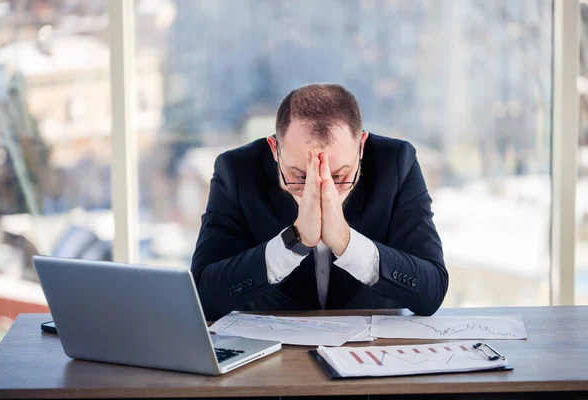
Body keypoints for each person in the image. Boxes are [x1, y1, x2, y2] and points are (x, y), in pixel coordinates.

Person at [191, 83, 448, 320]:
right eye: (300, 176)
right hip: (272, 354)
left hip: (370, 353)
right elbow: (202, 296)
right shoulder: (236, 170)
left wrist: (347, 243)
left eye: (339, 175)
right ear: (274, 150)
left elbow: (431, 291)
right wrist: (294, 241)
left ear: (361, 148)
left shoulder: (396, 163)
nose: (324, 189)